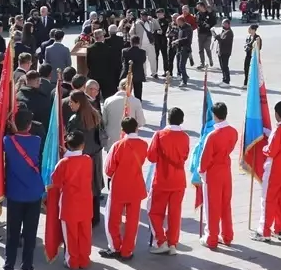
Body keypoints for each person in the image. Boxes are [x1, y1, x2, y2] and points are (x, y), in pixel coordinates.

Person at [1, 108, 45, 270]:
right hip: (33, 193)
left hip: (15, 194)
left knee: (12, 235)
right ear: (29, 125)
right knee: (30, 233)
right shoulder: (36, 140)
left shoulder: (7, 141)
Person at [100, 116, 148, 260]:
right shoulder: (144, 144)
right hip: (136, 186)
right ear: (136, 128)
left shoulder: (117, 146)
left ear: (122, 129)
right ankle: (127, 250)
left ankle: (115, 247)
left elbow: (108, 170)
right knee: (132, 221)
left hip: (119, 187)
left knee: (113, 219)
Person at [252, 100, 281, 241]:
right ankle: (280, 229)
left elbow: (271, 151)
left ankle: (264, 231)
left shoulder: (278, 130)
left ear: (276, 114)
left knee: (268, 200)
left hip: (274, 171)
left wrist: (265, 147)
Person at [147, 107, 190, 255]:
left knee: (154, 212)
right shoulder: (185, 137)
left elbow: (151, 157)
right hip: (178, 180)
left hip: (162, 180)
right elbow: (184, 157)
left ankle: (161, 240)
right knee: (175, 213)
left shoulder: (159, 135)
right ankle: (173, 243)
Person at [50, 130, 94, 270]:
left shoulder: (63, 162)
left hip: (69, 203)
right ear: (83, 145)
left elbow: (55, 181)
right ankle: (84, 258)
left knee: (71, 234)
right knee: (85, 232)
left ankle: (72, 260)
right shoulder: (88, 159)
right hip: (86, 202)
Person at [198, 101, 238, 248]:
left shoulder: (213, 135)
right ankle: (227, 236)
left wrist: (201, 171)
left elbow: (205, 157)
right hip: (226, 170)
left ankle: (212, 237)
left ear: (215, 116)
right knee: (225, 205)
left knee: (212, 206)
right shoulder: (233, 131)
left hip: (213, 173)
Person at [66, 90, 105, 224]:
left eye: (72, 102)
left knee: (84, 188)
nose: (69, 104)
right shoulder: (95, 114)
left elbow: (70, 139)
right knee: (94, 187)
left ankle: (86, 217)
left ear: (79, 103)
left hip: (81, 157)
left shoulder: (75, 120)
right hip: (96, 156)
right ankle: (95, 218)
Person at [120, 36, 147, 101]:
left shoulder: (125, 51)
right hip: (138, 74)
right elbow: (143, 61)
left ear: (130, 42)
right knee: (138, 94)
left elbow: (122, 61)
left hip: (127, 74)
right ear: (139, 42)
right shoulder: (142, 52)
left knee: (125, 93)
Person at [215, 19, 234, 86]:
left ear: (229, 24)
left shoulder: (229, 32)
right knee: (222, 66)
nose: (224, 25)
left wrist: (217, 37)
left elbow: (223, 41)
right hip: (221, 51)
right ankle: (224, 79)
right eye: (223, 23)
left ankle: (227, 81)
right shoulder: (223, 31)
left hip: (225, 52)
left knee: (225, 66)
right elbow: (220, 37)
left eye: (226, 24)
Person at [242, 24, 261, 88]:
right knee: (246, 69)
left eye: (250, 29)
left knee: (253, 70)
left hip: (254, 56)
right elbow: (245, 44)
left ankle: (254, 83)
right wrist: (246, 47)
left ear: (253, 30)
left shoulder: (257, 37)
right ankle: (246, 83)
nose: (248, 30)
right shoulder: (248, 36)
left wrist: (251, 45)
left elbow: (259, 47)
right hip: (247, 55)